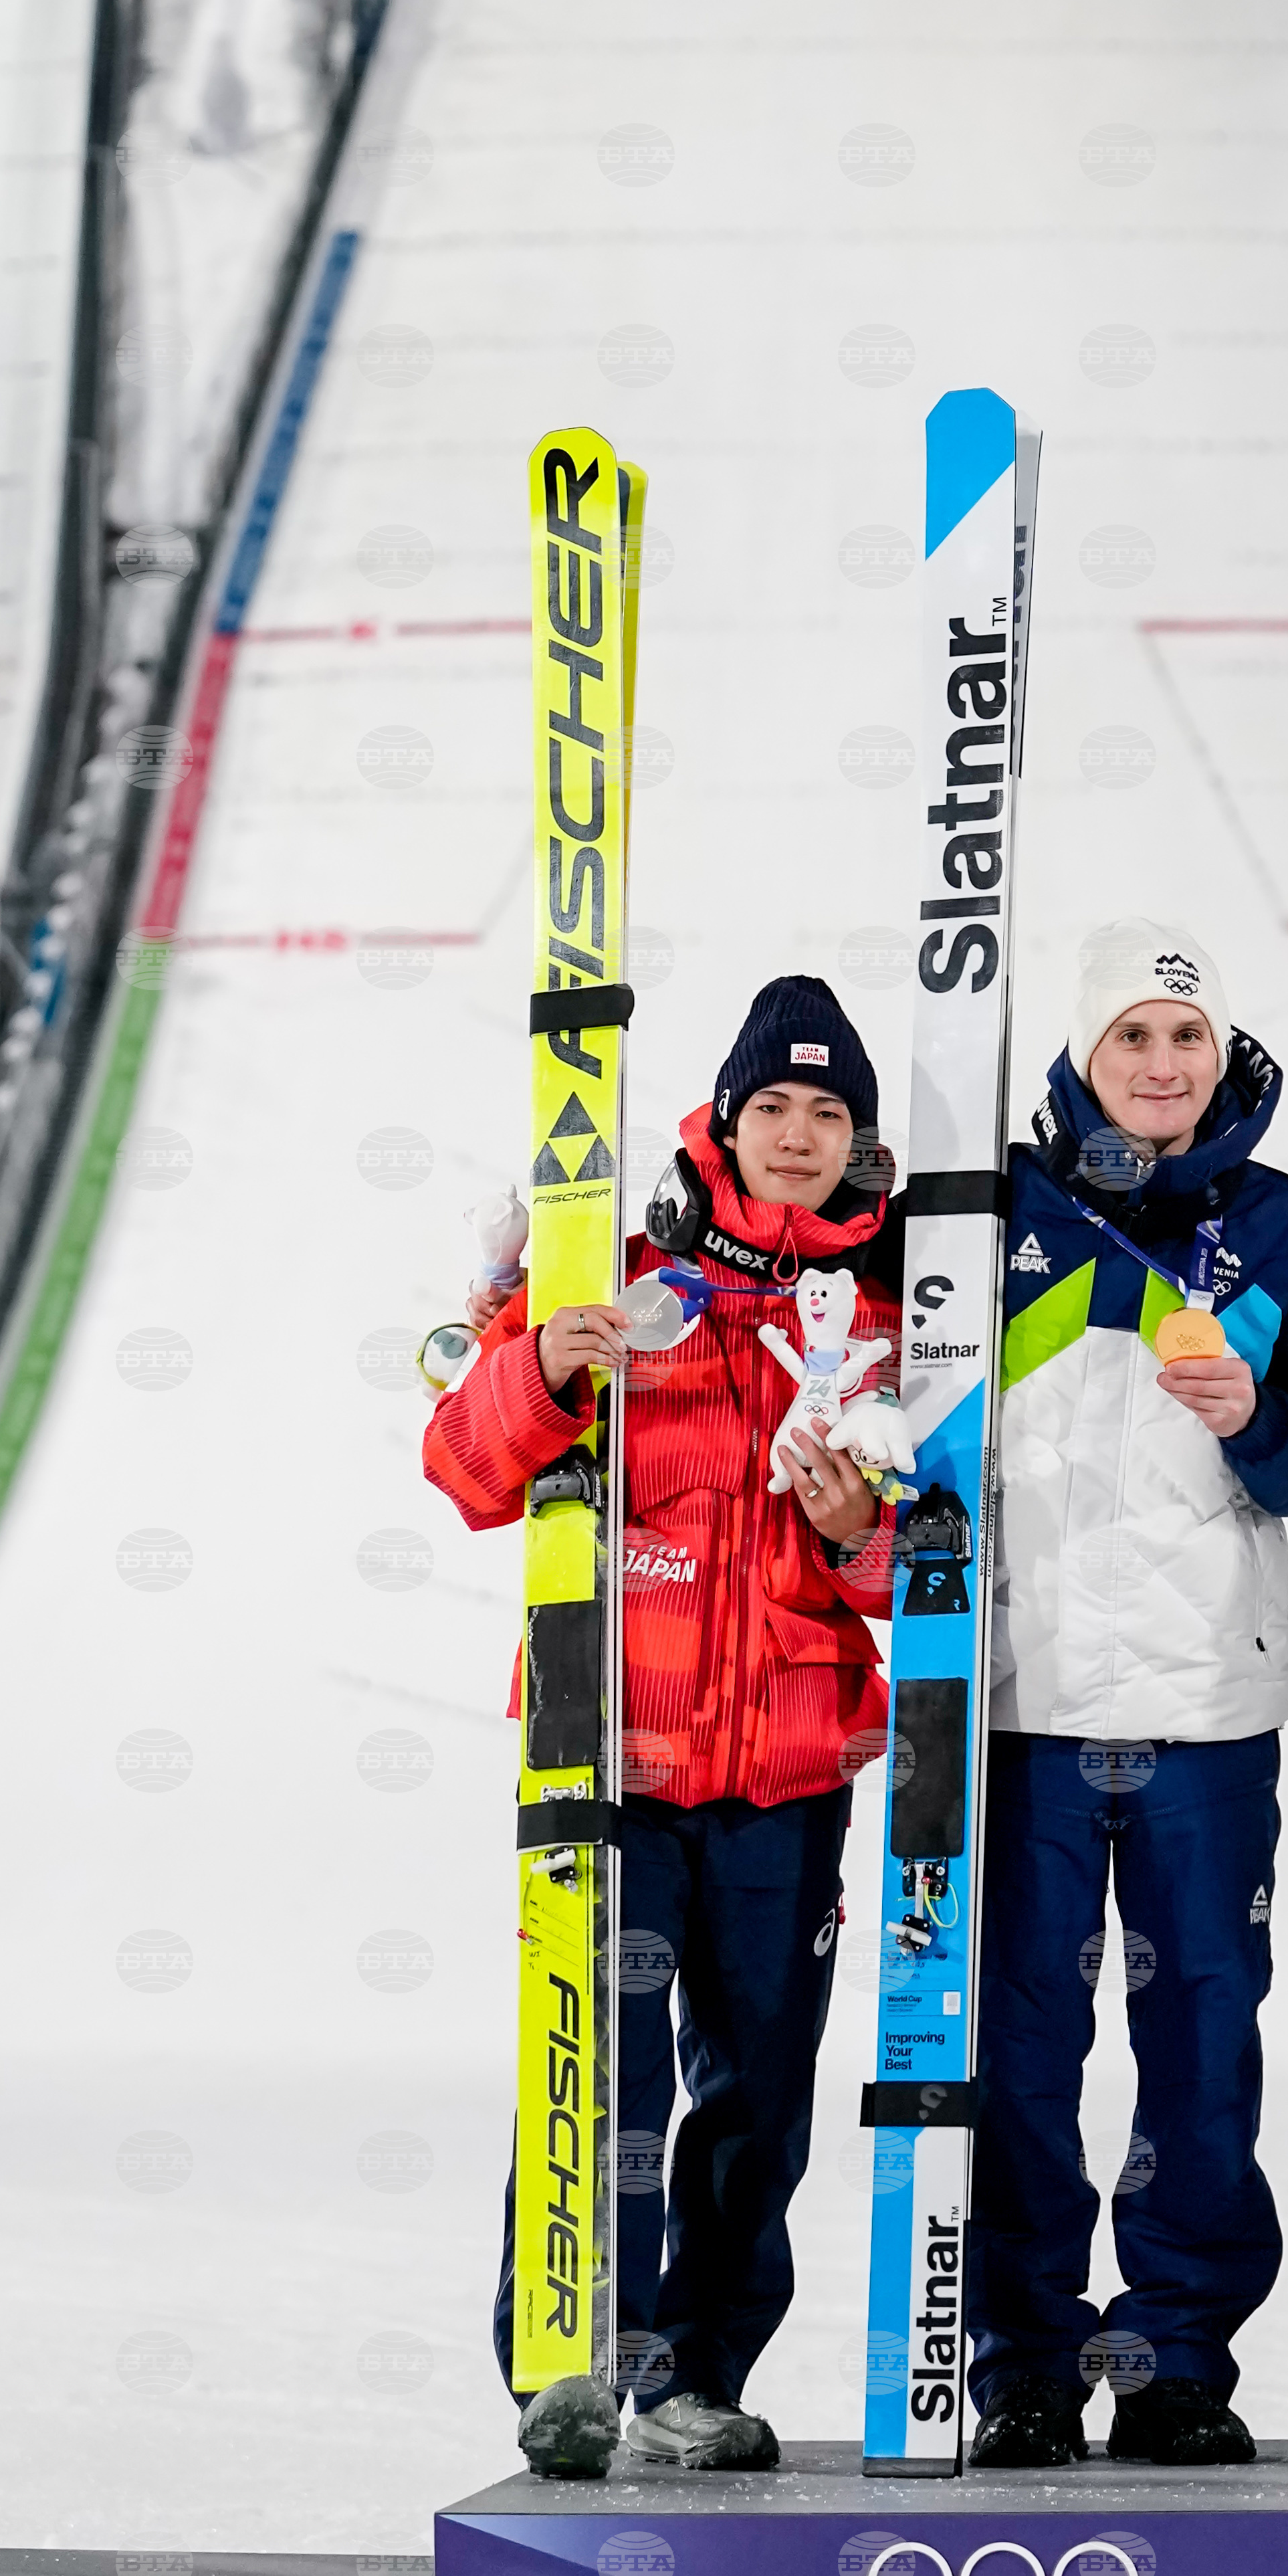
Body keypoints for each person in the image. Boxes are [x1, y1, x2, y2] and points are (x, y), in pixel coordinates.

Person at [423, 975, 899, 2477]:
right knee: (599, 2063)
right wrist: (553, 1361)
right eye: (776, 1106)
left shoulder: (887, 1313)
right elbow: (467, 1461)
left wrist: (852, 1539)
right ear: (726, 1118)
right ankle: (568, 2355)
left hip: (787, 1771)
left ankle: (697, 2370)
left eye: (830, 1113)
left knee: (760, 2089)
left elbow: (930, 1562)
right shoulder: (616, 1272)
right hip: (614, 1756)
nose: (801, 1135)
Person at [966, 920, 1288, 2472]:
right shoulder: (996, 1207)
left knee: (1201, 2037)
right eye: (1134, 1038)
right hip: (1027, 1700)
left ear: (1223, 1051)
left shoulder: (1283, 1220)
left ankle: (1179, 2355)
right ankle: (1026, 2361)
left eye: (1187, 1038)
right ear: (1084, 1051)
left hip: (1204, 1704)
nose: (1164, 1066)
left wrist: (1256, 1418)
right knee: (1023, 2043)